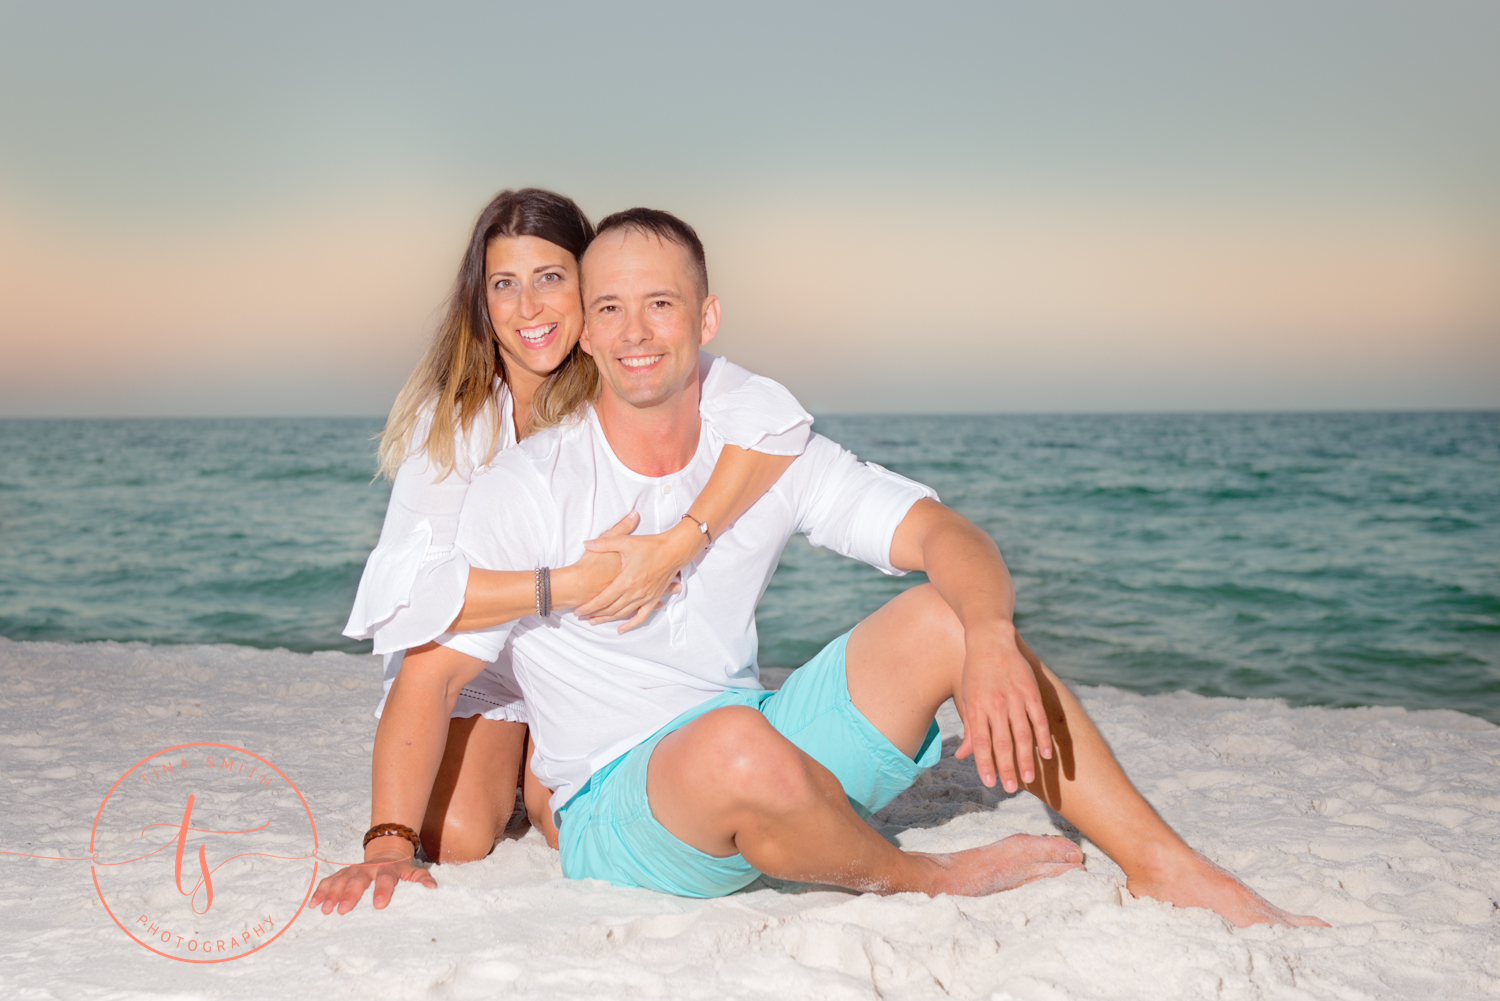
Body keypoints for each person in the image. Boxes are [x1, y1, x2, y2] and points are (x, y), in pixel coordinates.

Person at [320, 207, 1327, 928]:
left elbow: (943, 533)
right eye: (612, 307)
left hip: (755, 739)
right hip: (621, 808)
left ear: (706, 319)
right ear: (583, 328)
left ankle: (1164, 863)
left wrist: (987, 635)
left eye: (661, 304)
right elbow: (430, 673)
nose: (636, 332)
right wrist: (383, 844)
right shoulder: (526, 483)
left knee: (943, 617)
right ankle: (920, 879)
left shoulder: (764, 445)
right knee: (726, 742)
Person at [332, 189, 812, 892]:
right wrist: (387, 845)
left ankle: (540, 759)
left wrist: (682, 541)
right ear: (482, 301)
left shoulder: (623, 373)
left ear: (589, 292)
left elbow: (772, 417)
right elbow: (420, 603)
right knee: (458, 837)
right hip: (478, 655)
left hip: (585, 652)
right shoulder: (457, 419)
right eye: (505, 284)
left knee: (565, 820)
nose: (528, 307)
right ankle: (509, 748)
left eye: (551, 279)